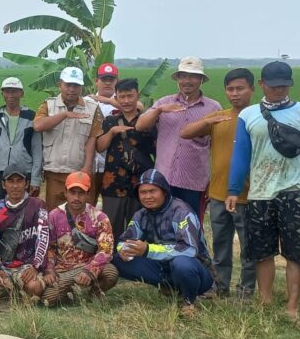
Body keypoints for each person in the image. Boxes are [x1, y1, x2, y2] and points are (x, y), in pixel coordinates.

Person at [227, 61, 300, 319]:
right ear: (262, 85)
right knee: (262, 251)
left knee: (295, 253)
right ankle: (265, 301)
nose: (279, 90)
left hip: (294, 191)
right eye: (274, 85)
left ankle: (292, 305)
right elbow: (241, 155)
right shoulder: (248, 116)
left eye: (284, 86)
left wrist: (299, 174)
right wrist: (234, 189)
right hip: (260, 192)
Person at [180, 68, 256, 298]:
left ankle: (246, 290)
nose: (235, 94)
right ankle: (220, 286)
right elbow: (185, 133)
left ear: (252, 89)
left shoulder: (258, 118)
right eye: (230, 89)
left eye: (240, 88)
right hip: (218, 194)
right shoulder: (220, 117)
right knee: (221, 245)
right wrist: (208, 120)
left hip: (249, 195)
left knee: (249, 247)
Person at [114, 169, 215, 315]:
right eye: (143, 192)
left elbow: (189, 249)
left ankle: (188, 301)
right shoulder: (141, 214)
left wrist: (148, 250)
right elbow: (124, 240)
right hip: (163, 268)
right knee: (117, 259)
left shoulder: (182, 211)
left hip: (197, 270)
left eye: (153, 191)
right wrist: (125, 249)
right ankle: (168, 287)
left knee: (182, 263)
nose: (148, 196)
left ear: (164, 191)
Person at [136, 56, 221, 220]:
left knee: (191, 225)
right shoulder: (164, 102)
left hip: (193, 181)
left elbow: (217, 146)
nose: (187, 81)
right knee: (161, 224)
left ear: (201, 79)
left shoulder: (213, 108)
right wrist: (159, 110)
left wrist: (213, 180)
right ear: (177, 79)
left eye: (193, 76)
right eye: (183, 76)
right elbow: (140, 125)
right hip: (164, 180)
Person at [41, 171, 118, 306]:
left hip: (88, 265)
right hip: (63, 269)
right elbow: (49, 247)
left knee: (111, 273)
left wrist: (90, 270)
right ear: (65, 193)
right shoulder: (54, 216)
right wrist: (49, 269)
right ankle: (72, 294)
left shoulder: (100, 217)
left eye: (81, 193)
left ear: (88, 194)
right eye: (72, 192)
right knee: (48, 300)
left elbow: (106, 250)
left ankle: (94, 294)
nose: (76, 197)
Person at [33, 67, 103, 211]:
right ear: (60, 84)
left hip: (79, 173)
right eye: (68, 85)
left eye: (76, 85)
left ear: (81, 87)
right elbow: (38, 125)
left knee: (83, 218)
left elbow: (92, 138)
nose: (72, 89)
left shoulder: (92, 108)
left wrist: (87, 167)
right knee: (54, 215)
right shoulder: (48, 105)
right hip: (54, 173)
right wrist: (64, 115)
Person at [0, 166, 50, 306]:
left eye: (19, 181)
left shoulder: (38, 205)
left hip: (28, 264)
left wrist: (35, 266)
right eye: (10, 181)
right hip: (4, 265)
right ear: (3, 184)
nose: (15, 185)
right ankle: (8, 287)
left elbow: (43, 237)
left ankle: (20, 288)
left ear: (27, 184)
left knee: (34, 288)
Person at [96, 78, 155, 237]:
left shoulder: (148, 122)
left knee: (138, 227)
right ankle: (110, 259)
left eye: (130, 96)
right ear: (116, 98)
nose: (126, 101)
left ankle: (134, 259)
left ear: (138, 96)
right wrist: (112, 132)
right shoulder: (110, 121)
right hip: (113, 183)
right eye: (122, 97)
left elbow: (158, 150)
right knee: (110, 227)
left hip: (141, 184)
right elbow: (99, 146)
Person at [0, 77, 42, 202]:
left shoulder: (31, 117)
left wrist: (35, 179)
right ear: (2, 93)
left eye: (14, 91)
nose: (11, 95)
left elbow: (37, 150)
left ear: (22, 93)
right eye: (7, 91)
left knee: (24, 210)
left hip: (24, 172)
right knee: (0, 210)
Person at [91, 63, 120, 204]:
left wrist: (109, 101)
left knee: (112, 208)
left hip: (114, 165)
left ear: (117, 82)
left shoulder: (124, 102)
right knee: (88, 204)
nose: (108, 83)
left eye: (111, 79)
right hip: (91, 164)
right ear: (96, 81)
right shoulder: (87, 101)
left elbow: (138, 107)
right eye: (104, 79)